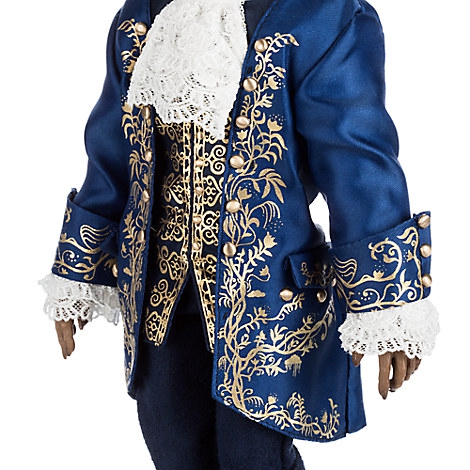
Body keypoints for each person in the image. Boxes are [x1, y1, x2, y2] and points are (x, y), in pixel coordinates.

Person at [40, 0, 439, 468]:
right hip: (157, 297)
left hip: (267, 303)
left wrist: (390, 302)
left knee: (253, 458)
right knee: (172, 444)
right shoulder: (142, 16)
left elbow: (354, 158)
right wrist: (78, 272)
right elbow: (112, 154)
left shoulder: (320, 15)